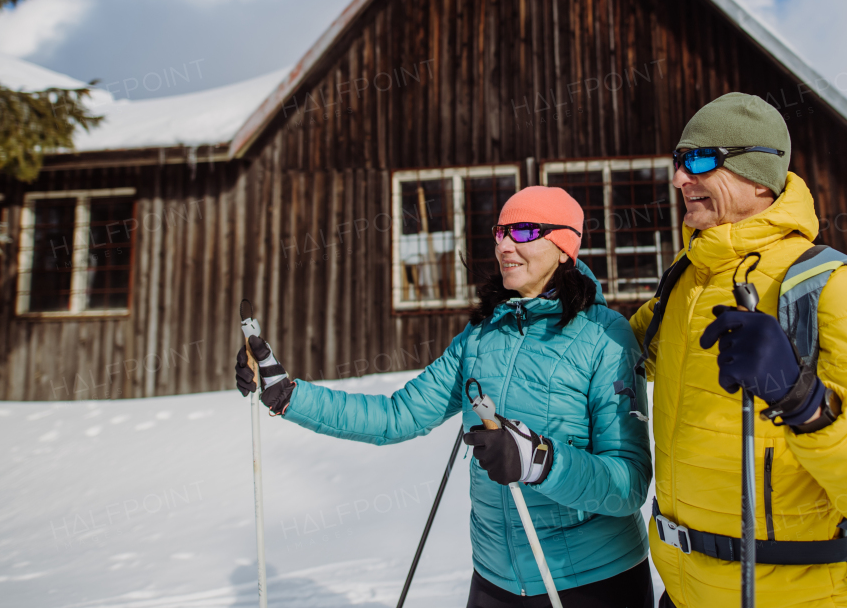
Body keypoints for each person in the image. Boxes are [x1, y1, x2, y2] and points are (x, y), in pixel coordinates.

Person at [237, 186, 654, 608]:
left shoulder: (605, 338)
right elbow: (397, 416)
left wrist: (540, 461)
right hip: (496, 579)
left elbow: (629, 484)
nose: (505, 245)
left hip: (593, 579)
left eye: (524, 231)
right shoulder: (482, 335)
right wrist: (286, 394)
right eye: (500, 231)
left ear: (564, 246)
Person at [630, 92, 847, 607]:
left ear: (758, 176)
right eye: (679, 161)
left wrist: (803, 401)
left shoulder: (827, 288)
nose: (680, 179)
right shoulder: (686, 281)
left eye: (701, 160)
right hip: (682, 595)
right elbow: (614, 350)